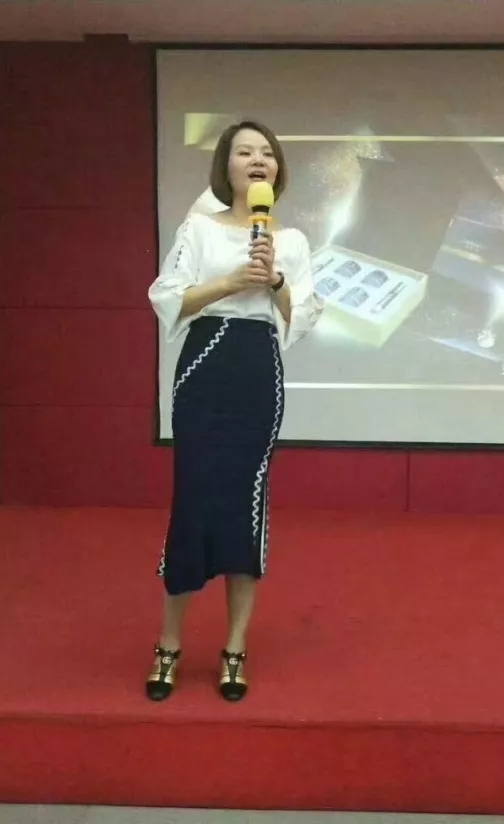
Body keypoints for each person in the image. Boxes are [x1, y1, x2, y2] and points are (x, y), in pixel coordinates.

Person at [146, 120, 323, 701]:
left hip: (257, 370)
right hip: (205, 365)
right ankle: (169, 644)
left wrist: (273, 280)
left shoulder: (292, 241)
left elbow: (305, 314)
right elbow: (168, 296)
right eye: (244, 152)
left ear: (277, 169)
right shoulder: (198, 228)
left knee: (248, 505)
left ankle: (235, 648)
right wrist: (229, 281)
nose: (257, 160)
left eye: (266, 153)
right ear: (226, 166)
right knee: (193, 501)